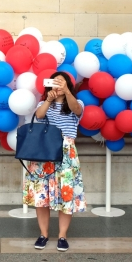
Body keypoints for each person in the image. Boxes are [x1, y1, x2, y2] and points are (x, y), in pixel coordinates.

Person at [23, 71, 86, 252]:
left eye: (61, 82)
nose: (57, 86)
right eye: (54, 82)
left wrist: (66, 92)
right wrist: (49, 100)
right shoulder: (44, 103)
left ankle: (62, 236)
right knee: (42, 194)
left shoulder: (76, 102)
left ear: (67, 85)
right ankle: (43, 234)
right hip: (43, 153)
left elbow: (77, 110)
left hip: (66, 152)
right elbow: (39, 116)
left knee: (66, 193)